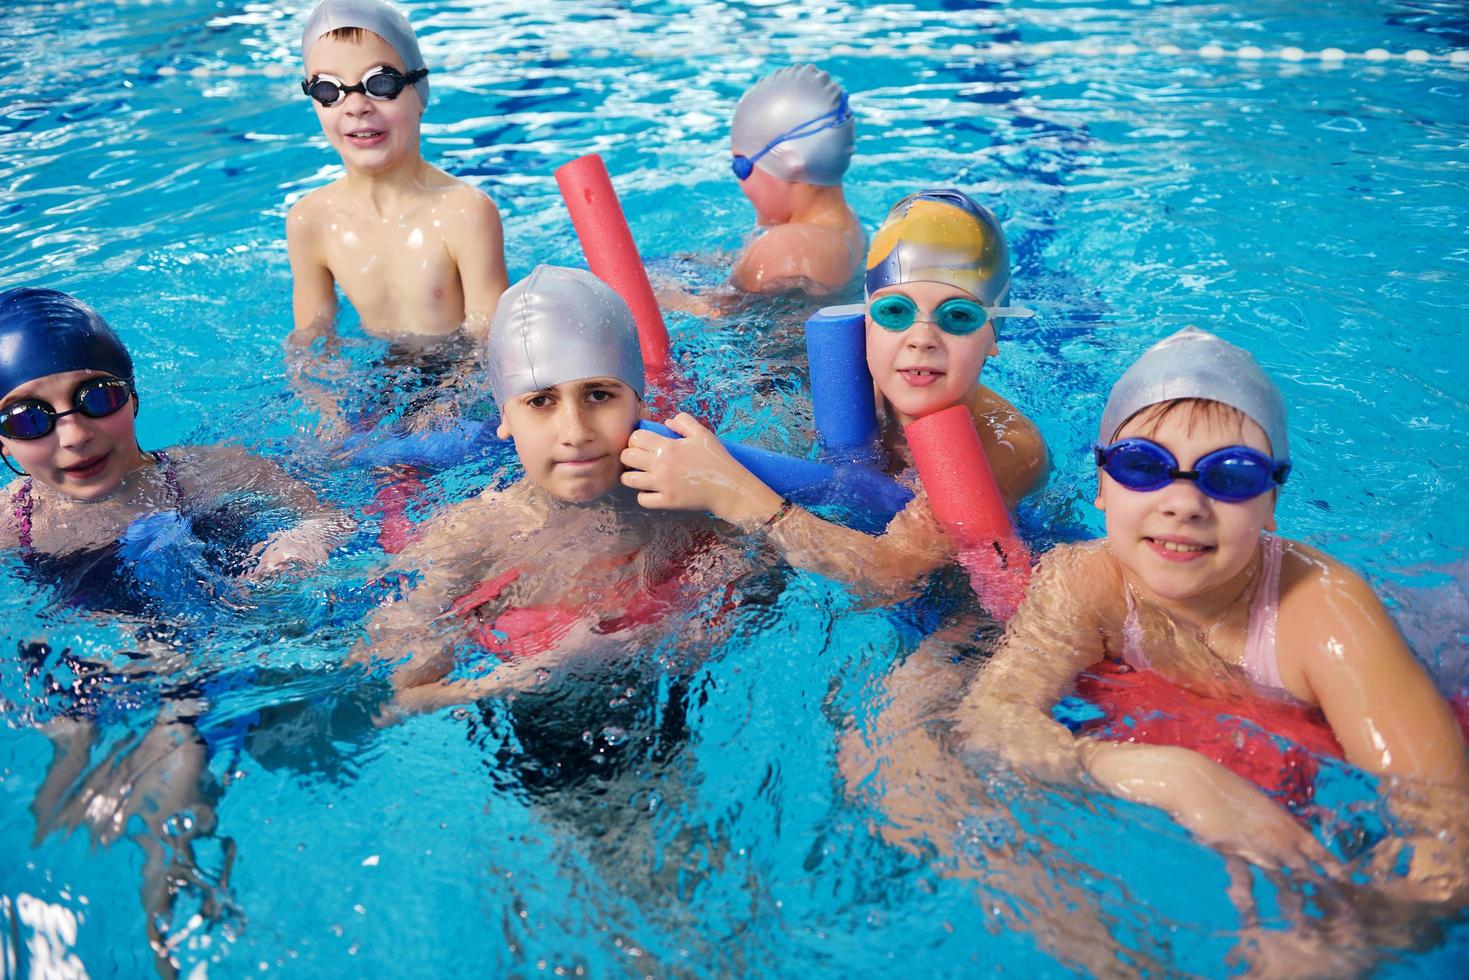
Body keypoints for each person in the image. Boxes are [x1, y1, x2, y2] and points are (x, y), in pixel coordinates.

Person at [955, 327, 1469, 901]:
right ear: (1101, 483)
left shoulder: (1326, 615)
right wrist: (1173, 778)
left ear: (1272, 500)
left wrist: (1341, 943)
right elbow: (992, 720)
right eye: (1142, 466)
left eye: (1231, 475)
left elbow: (1445, 837)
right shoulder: (1084, 580)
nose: (1183, 504)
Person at [0, 285, 351, 973]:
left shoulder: (212, 470)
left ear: (132, 395)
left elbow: (330, 517)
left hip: (214, 633)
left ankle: (176, 928)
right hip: (85, 658)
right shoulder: (11, 525)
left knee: (191, 762)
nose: (73, 435)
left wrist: (299, 546)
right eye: (30, 418)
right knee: (65, 766)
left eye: (96, 396)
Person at [352, 265, 749, 713]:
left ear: (639, 401)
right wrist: (542, 670)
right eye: (540, 401)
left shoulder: (693, 496)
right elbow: (395, 696)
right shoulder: (475, 536)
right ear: (504, 417)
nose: (575, 432)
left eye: (599, 395)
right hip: (533, 726)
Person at [622, 188, 1048, 595]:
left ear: (994, 335)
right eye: (895, 311)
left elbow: (891, 576)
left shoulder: (1006, 449)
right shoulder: (845, 387)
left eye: (957, 316)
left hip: (954, 603)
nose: (922, 338)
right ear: (867, 320)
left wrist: (731, 493)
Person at [287, 0, 507, 344]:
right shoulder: (309, 220)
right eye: (328, 90)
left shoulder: (466, 213)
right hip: (376, 375)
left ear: (419, 91)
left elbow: (488, 341)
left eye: (381, 84)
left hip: (457, 375)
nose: (357, 107)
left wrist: (448, 399)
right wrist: (321, 399)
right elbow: (311, 345)